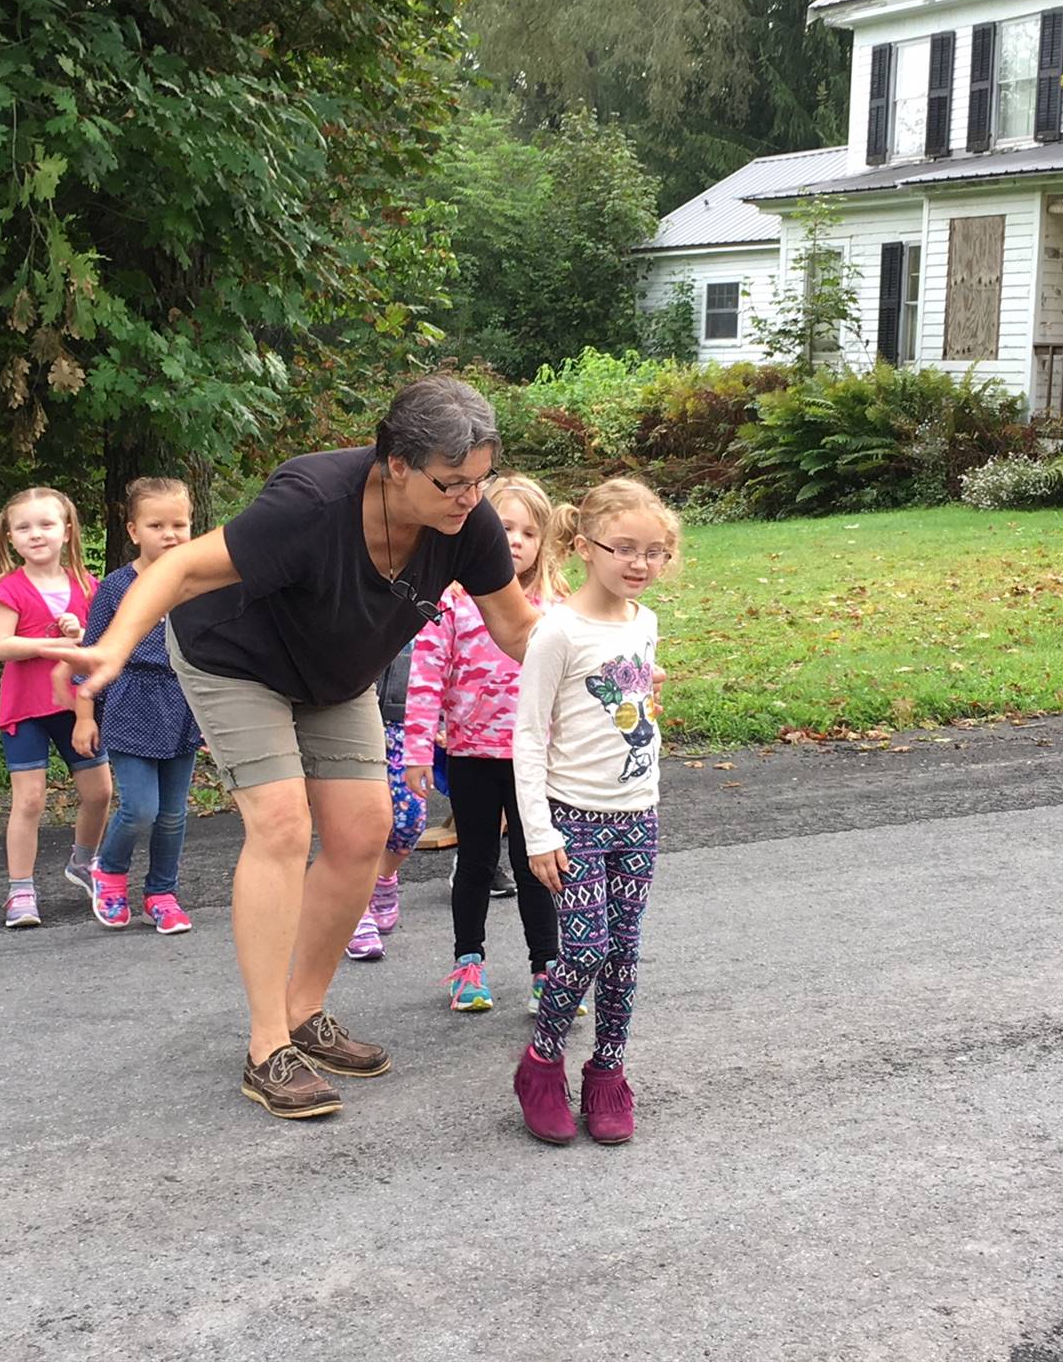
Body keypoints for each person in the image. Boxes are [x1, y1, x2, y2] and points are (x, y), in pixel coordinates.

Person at [48, 377, 540, 1120]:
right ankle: (266, 1046)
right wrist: (112, 648)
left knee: (364, 828)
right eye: (453, 483)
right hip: (234, 657)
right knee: (281, 822)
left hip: (338, 672)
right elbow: (179, 569)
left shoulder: (464, 525)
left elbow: (517, 630)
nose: (469, 500)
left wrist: (604, 671)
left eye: (481, 481)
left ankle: (305, 1011)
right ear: (396, 464)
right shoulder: (314, 501)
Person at [510, 478, 678, 1147]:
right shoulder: (557, 630)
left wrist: (647, 690)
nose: (640, 564)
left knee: (626, 955)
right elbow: (527, 734)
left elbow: (626, 694)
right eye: (624, 549)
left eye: (656, 552)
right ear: (584, 547)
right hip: (572, 816)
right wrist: (537, 832)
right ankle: (542, 1062)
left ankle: (607, 1072)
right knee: (584, 948)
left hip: (638, 811)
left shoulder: (644, 622)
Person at [403, 475, 573, 1013]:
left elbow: (579, 677)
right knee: (476, 861)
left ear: (543, 542)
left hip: (536, 761)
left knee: (535, 864)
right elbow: (426, 675)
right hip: (472, 753)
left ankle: (547, 969)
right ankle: (467, 964)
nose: (516, 541)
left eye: (529, 532)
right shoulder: (452, 603)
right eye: (504, 529)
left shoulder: (557, 606)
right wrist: (416, 748)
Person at [70, 477, 205, 934]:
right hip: (131, 703)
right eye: (157, 525)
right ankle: (107, 870)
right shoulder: (115, 587)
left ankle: (161, 893)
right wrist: (85, 716)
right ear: (133, 531)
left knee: (173, 813)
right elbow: (91, 655)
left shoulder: (197, 585)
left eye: (179, 524)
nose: (170, 534)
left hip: (182, 706)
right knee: (140, 808)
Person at [0, 486, 112, 929]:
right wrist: (55, 642)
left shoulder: (87, 584)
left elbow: (99, 644)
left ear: (67, 531)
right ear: (10, 539)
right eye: (24, 528)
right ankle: (20, 890)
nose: (35, 535)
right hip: (26, 709)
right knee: (31, 801)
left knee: (100, 792)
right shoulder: (9, 588)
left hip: (78, 707)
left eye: (46, 525)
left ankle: (84, 863)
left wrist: (80, 630)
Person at [344, 639, 429, 961]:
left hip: (406, 720)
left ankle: (383, 877)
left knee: (410, 821)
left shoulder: (433, 593)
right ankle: (357, 909)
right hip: (348, 714)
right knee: (357, 820)